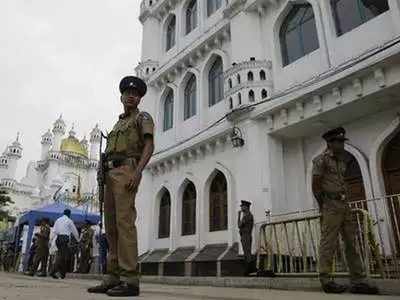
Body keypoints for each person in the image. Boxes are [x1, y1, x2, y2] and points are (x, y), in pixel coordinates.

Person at [88, 76, 154, 297]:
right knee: (111, 227)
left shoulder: (142, 117)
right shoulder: (118, 124)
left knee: (125, 224)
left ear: (140, 98)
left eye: (135, 94)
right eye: (127, 93)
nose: (131, 96)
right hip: (109, 174)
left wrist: (138, 171)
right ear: (122, 96)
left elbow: (149, 145)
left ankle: (130, 280)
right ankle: (112, 276)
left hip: (127, 171)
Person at [312, 127, 378, 294]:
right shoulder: (321, 160)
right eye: (339, 142)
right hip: (331, 205)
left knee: (352, 242)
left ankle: (358, 281)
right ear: (330, 143)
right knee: (329, 243)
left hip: (344, 205)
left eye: (342, 141)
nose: (342, 144)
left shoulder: (342, 160)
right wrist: (324, 205)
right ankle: (326, 280)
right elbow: (316, 185)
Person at [50, 209, 80, 279]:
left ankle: (62, 274)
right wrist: (78, 240)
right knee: (62, 256)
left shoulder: (58, 220)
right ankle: (53, 271)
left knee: (63, 256)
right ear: (69, 214)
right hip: (64, 239)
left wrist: (51, 239)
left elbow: (54, 231)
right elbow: (74, 231)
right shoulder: (69, 221)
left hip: (58, 239)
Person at [238, 200, 254, 276]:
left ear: (246, 207)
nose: (241, 207)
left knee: (247, 252)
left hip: (246, 235)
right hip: (244, 235)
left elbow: (239, 225)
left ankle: (249, 269)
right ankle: (248, 269)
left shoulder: (247, 215)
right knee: (246, 252)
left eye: (242, 206)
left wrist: (238, 215)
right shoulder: (246, 215)